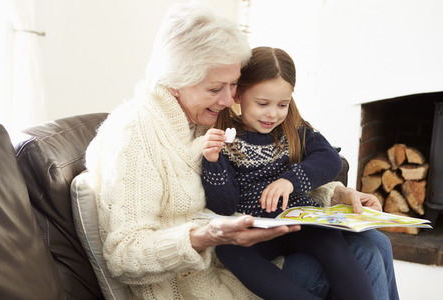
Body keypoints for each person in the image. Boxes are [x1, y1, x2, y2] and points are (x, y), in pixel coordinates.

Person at [84, 1, 398, 299]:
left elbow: (266, 169)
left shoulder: (201, 117)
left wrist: (336, 194)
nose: (228, 99)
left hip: (251, 245)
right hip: (207, 283)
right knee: (366, 251)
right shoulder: (135, 133)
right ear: (176, 80)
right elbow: (125, 255)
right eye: (215, 88)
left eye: (233, 85)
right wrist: (206, 236)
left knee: (375, 240)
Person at [201, 46, 374, 300]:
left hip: (300, 222)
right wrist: (212, 162)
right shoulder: (225, 140)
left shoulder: (296, 130)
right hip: (259, 231)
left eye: (282, 104)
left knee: (330, 240)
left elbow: (330, 160)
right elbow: (224, 206)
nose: (273, 114)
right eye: (263, 104)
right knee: (228, 251)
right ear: (238, 95)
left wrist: (290, 181)